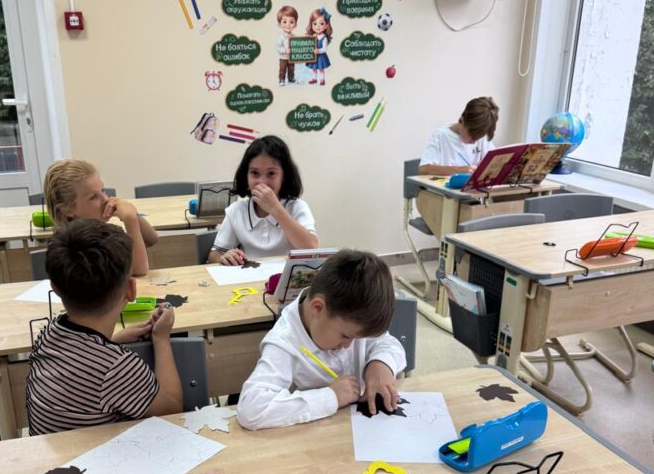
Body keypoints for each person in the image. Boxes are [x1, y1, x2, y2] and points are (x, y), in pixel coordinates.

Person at [26, 219, 182, 435]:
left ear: (55, 288)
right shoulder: (118, 366)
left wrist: (114, 340)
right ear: (131, 290)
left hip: (55, 452)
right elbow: (171, 409)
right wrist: (162, 338)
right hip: (91, 455)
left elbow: (83, 361)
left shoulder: (48, 332)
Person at [236, 249, 405, 429]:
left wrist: (380, 365)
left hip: (356, 431)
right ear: (318, 308)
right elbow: (251, 410)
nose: (348, 345)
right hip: (311, 439)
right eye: (345, 336)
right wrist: (331, 396)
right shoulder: (284, 343)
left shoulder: (350, 318)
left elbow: (388, 343)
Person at [208, 135, 318, 265]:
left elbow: (312, 249)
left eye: (271, 174)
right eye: (255, 173)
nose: (262, 181)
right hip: (249, 276)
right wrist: (224, 257)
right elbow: (215, 254)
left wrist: (275, 209)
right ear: (246, 176)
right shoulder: (236, 211)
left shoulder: (297, 207)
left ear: (284, 176)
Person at [43, 158, 158, 276]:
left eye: (102, 190)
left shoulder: (101, 231)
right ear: (67, 209)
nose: (106, 199)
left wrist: (133, 213)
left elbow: (151, 239)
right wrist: (130, 219)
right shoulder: (77, 247)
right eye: (93, 197)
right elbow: (139, 270)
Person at [418, 96, 499, 175]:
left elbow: (495, 160)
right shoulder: (441, 135)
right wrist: (459, 170)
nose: (474, 142)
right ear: (461, 120)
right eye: (472, 136)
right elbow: (423, 169)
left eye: (478, 137)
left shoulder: (481, 134)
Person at [306, 7, 332, 86]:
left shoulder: (324, 38)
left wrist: (319, 51)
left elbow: (324, 49)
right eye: (315, 24)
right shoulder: (313, 36)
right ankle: (314, 78)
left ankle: (322, 79)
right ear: (311, 25)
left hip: (320, 57)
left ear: (326, 26)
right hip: (314, 56)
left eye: (321, 24)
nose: (318, 26)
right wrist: (307, 38)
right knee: (314, 68)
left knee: (321, 68)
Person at [276, 4, 298, 86]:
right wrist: (285, 50)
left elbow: (298, 44)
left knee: (291, 68)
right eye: (285, 22)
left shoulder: (294, 36)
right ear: (279, 24)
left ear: (295, 24)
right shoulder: (281, 37)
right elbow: (278, 48)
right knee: (283, 69)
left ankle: (291, 78)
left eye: (291, 22)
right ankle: (281, 79)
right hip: (283, 57)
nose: (288, 24)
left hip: (291, 57)